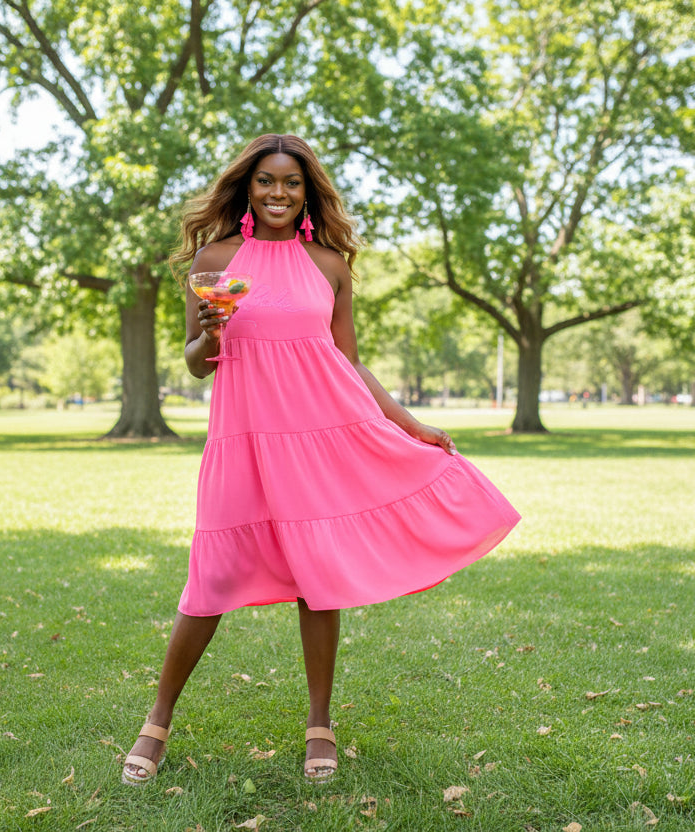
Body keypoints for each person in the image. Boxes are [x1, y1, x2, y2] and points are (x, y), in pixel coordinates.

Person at [121, 134, 520, 786]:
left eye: (292, 182)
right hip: (244, 440)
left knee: (317, 578)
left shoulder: (329, 264)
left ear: (308, 193)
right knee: (211, 580)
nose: (278, 192)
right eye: (266, 181)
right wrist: (212, 331)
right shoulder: (215, 260)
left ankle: (319, 724)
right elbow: (196, 363)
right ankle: (157, 720)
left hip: (318, 439)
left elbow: (348, 362)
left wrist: (412, 425)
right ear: (247, 188)